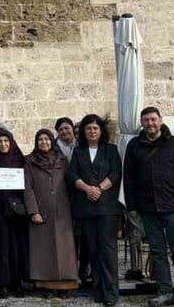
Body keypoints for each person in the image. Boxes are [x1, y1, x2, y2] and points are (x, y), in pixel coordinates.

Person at [123, 107, 174, 307]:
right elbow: (128, 178)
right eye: (146, 120)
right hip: (148, 207)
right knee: (158, 251)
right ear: (142, 123)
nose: (150, 123)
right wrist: (132, 206)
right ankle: (164, 290)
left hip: (173, 206)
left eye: (153, 119)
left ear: (160, 121)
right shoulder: (134, 146)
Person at [68, 113, 123, 307]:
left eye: (95, 128)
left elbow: (116, 172)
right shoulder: (78, 152)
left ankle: (111, 292)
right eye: (88, 128)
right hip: (87, 207)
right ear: (83, 132)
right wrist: (86, 188)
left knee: (108, 250)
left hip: (107, 207)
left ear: (101, 131)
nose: (92, 131)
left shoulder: (111, 149)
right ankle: (98, 289)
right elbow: (72, 175)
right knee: (93, 250)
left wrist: (99, 188)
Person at [23, 128, 78, 295]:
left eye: (47, 139)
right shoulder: (29, 162)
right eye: (40, 139)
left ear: (52, 141)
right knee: (43, 250)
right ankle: (45, 285)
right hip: (41, 210)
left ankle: (65, 285)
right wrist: (33, 211)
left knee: (64, 250)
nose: (44, 142)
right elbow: (27, 188)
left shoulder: (62, 160)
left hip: (62, 211)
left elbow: (70, 184)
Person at [0, 125, 30, 298]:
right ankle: (2, 283)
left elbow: (27, 184)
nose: (3, 144)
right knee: (1, 248)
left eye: (6, 140)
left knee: (16, 248)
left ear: (11, 142)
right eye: (0, 141)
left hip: (16, 211)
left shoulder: (19, 158)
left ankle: (17, 283)